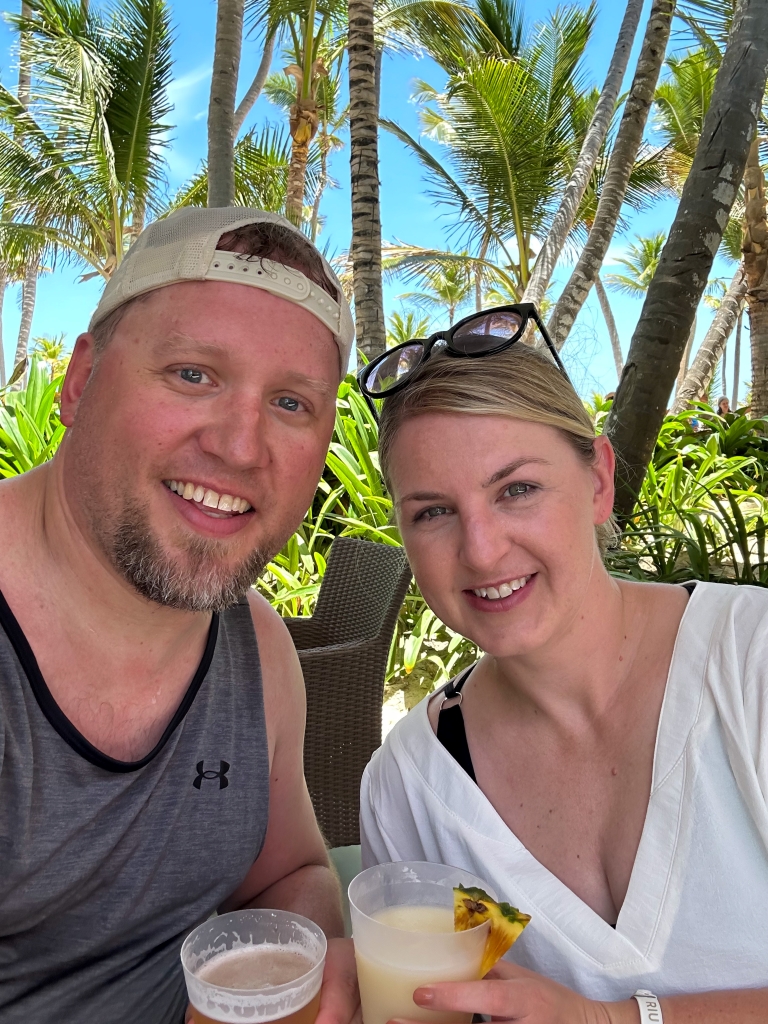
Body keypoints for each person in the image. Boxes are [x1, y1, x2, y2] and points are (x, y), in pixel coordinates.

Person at [357, 305, 768, 1024]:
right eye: (432, 512)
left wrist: (615, 1019)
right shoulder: (415, 789)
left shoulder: (750, 663)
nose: (481, 551)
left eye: (517, 489)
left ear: (599, 481)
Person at [0, 208, 360, 1024]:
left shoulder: (255, 648)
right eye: (194, 374)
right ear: (81, 379)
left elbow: (288, 877)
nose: (240, 447)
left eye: (293, 403)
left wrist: (285, 990)